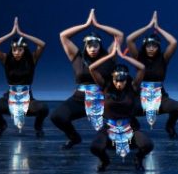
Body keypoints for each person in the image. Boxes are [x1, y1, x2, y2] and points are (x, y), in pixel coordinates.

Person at [50, 9, 123, 149]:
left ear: (100, 46)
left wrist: (97, 25)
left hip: (103, 99)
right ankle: (74, 138)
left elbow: (119, 35)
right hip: (80, 99)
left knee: (120, 119)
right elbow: (63, 36)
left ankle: (113, 139)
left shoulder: (109, 57)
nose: (93, 49)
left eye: (95, 45)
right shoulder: (77, 58)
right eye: (89, 46)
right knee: (57, 116)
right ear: (85, 46)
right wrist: (86, 25)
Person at [89, 42, 153, 172]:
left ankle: (138, 159)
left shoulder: (132, 87)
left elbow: (142, 68)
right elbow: (92, 68)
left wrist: (124, 57)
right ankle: (105, 161)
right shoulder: (105, 87)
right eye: (116, 80)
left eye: (122, 81)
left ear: (126, 79)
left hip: (130, 127)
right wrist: (110, 56)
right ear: (112, 78)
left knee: (148, 145)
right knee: (95, 147)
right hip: (110, 127)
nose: (119, 84)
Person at [0, 17, 48, 137]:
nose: (17, 52)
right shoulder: (6, 59)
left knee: (43, 108)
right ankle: (1, 125)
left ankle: (38, 127)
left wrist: (22, 34)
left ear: (24, 50)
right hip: (9, 98)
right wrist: (11, 34)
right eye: (14, 50)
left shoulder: (32, 59)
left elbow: (42, 44)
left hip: (27, 99)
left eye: (20, 50)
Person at [126, 11, 178, 139]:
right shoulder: (138, 57)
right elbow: (129, 39)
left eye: (154, 46)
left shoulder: (163, 58)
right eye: (148, 46)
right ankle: (135, 128)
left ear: (158, 47)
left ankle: (170, 126)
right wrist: (147, 27)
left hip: (159, 96)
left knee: (177, 108)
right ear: (144, 46)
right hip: (140, 96)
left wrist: (158, 28)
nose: (151, 48)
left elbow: (173, 42)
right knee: (123, 108)